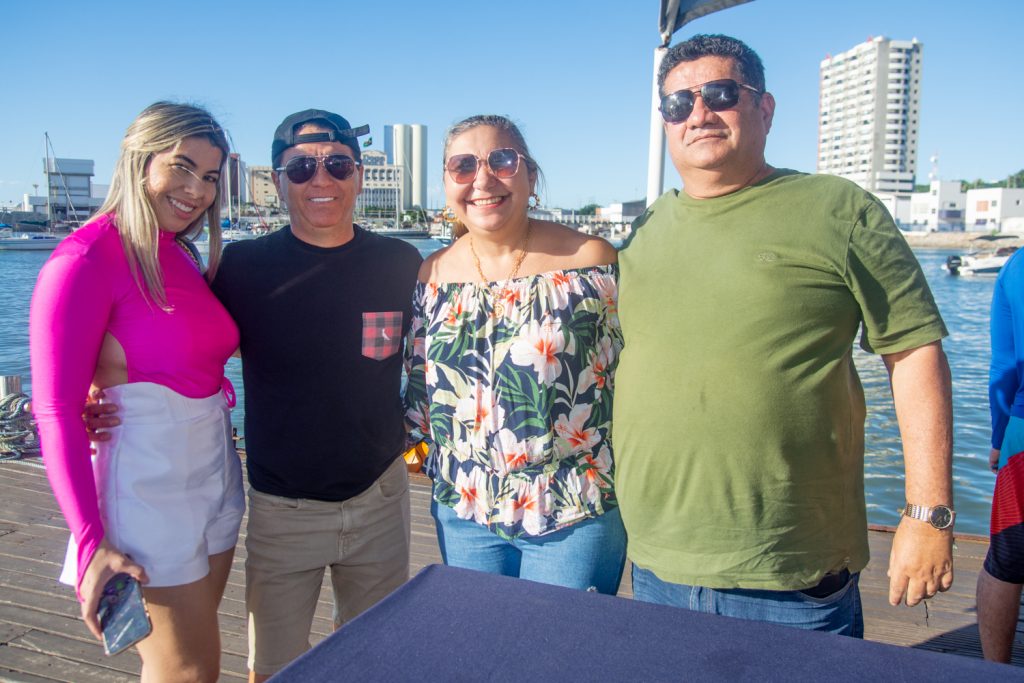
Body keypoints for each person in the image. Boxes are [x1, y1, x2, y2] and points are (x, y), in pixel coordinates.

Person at [613, 34, 955, 636]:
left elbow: (914, 353)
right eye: (677, 104)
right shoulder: (644, 230)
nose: (698, 114)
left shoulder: (839, 210)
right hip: (657, 562)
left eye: (720, 94)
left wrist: (927, 516)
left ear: (764, 109)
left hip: (790, 574)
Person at [30, 102, 242, 680]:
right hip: (145, 491)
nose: (196, 190)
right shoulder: (82, 260)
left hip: (214, 472)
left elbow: (190, 351)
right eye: (181, 167)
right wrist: (91, 539)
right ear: (138, 161)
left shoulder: (179, 253)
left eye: (210, 177)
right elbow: (52, 411)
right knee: (189, 670)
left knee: (185, 661)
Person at [212, 109, 421, 682]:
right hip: (284, 509)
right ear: (278, 180)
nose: (320, 180)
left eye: (336, 164)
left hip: (380, 497)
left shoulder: (400, 262)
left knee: (375, 661)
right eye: (301, 167)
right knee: (275, 670)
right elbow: (181, 346)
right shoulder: (240, 267)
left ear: (358, 175)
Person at [404, 115, 626, 593]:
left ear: (531, 177)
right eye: (463, 166)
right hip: (463, 510)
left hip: (571, 509)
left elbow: (633, 374)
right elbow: (421, 386)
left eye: (502, 160)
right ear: (447, 183)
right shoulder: (433, 274)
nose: (482, 179)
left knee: (558, 661)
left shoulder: (591, 260)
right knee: (478, 656)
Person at [979, 249, 1024, 662]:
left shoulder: (1017, 266)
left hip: (1022, 434)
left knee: (1008, 557)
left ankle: (996, 670)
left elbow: (1005, 366)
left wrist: (998, 434)